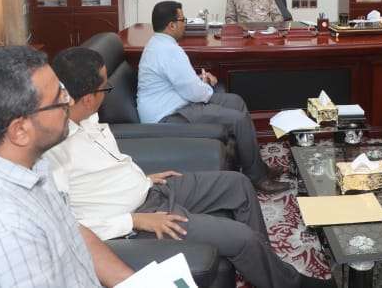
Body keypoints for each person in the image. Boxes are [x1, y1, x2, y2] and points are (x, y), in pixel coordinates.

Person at [46, 47, 332, 288]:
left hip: (151, 189)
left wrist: (141, 177)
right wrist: (133, 221)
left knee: (238, 184)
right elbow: (66, 223)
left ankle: (268, 270)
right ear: (87, 99)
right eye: (105, 88)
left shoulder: (85, 116)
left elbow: (103, 168)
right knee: (242, 238)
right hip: (140, 218)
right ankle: (289, 283)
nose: (107, 93)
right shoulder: (52, 148)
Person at [0, 46, 134, 288]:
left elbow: (72, 232)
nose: (71, 101)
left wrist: (135, 282)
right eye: (59, 99)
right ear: (20, 130)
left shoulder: (26, 161)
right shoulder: (2, 235)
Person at [137, 0, 289, 194]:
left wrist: (200, 82)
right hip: (168, 115)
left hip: (177, 101)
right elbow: (194, 92)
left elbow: (182, 82)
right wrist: (207, 85)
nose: (185, 24)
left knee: (236, 101)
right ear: (172, 25)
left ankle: (256, 167)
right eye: (183, 20)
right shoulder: (168, 50)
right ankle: (258, 179)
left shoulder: (159, 44)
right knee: (239, 120)